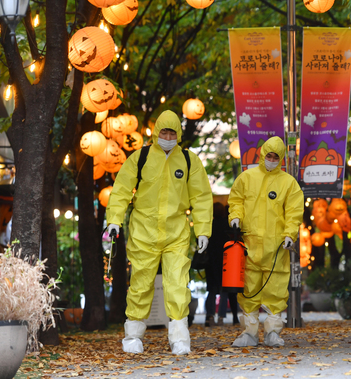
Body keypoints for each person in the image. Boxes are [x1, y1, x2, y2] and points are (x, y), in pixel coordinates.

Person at [106, 110, 213, 355]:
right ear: (156, 132)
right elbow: (121, 189)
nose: (167, 136)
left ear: (178, 134)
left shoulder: (189, 160)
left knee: (178, 284)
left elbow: (202, 197)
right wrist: (114, 220)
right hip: (144, 233)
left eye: (172, 132)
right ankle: (133, 336)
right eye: (164, 131)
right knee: (141, 284)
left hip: (176, 234)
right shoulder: (140, 157)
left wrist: (203, 230)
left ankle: (179, 337)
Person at [227, 136, 304, 347]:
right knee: (249, 290)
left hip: (276, 247)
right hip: (248, 245)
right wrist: (235, 216)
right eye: (268, 155)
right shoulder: (246, 178)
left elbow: (294, 212)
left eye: (275, 157)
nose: (271, 159)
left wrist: (290, 234)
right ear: (262, 154)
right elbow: (236, 200)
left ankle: (272, 332)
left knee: (276, 290)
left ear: (280, 159)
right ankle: (249, 333)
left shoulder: (288, 183)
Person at [204, 202, 239, 326]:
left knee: (212, 290)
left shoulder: (209, 226)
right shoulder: (227, 225)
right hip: (226, 261)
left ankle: (209, 316)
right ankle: (222, 317)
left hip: (211, 262)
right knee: (225, 290)